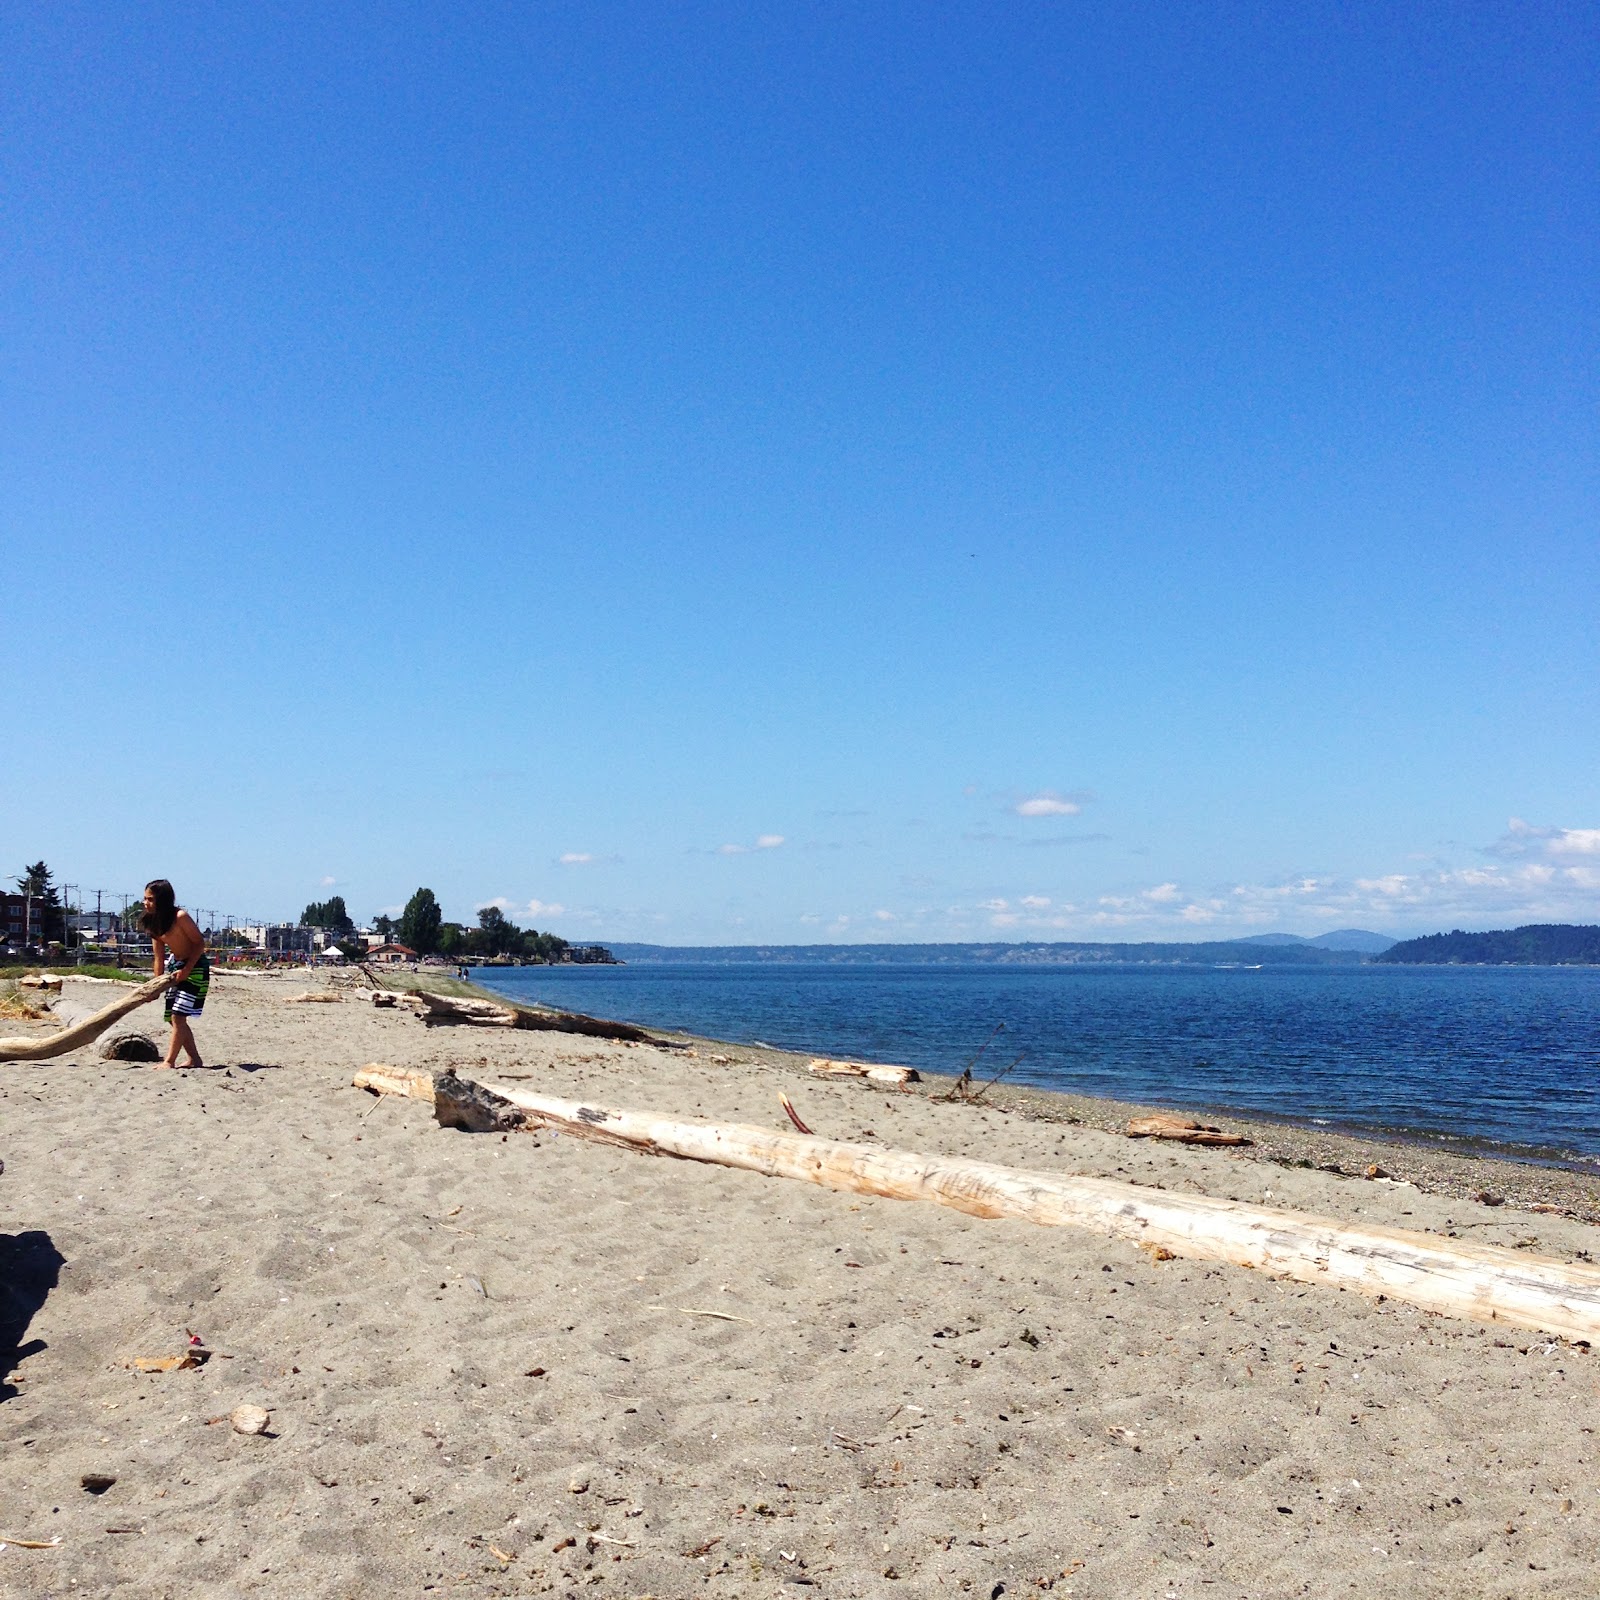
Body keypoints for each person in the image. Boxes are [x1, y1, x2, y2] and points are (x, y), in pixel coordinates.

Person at [140, 879, 208, 1069]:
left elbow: (199, 944)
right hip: (174, 966)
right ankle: (194, 1059)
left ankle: (169, 1061)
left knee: (179, 1016)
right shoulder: (153, 923)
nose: (146, 903)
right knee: (172, 1017)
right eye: (145, 899)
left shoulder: (180, 917)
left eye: (151, 899)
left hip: (195, 968)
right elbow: (158, 958)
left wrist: (187, 970)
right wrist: (155, 986)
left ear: (163, 900)